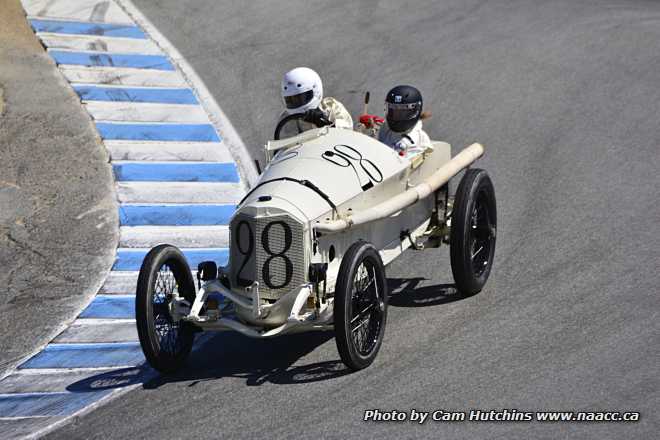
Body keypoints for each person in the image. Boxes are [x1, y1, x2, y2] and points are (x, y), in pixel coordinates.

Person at [277, 67, 353, 138]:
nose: (295, 102)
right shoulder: (287, 119)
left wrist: (325, 123)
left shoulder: (332, 107)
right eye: (290, 100)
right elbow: (283, 148)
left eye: (299, 98)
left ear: (315, 90)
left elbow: (349, 133)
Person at [377, 85, 432, 158]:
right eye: (394, 111)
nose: (396, 116)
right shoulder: (385, 129)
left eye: (402, 112)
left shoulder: (420, 139)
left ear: (415, 111)